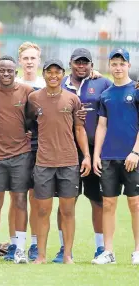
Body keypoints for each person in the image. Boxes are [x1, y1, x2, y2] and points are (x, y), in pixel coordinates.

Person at [50, 48, 112, 263]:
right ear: (71, 63)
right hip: (67, 152)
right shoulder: (60, 83)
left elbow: (116, 101)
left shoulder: (102, 83)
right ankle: (63, 248)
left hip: (96, 152)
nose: (81, 66)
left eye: (85, 63)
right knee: (67, 202)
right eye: (78, 62)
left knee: (98, 201)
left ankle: (100, 248)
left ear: (91, 65)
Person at [28, 59, 91, 264]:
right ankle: (41, 256)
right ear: (44, 74)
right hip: (44, 162)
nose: (53, 76)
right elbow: (28, 125)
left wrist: (87, 157)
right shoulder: (34, 98)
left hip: (68, 161)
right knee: (42, 210)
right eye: (49, 72)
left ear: (63, 74)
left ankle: (67, 255)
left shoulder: (72, 99)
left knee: (67, 210)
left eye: (57, 72)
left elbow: (79, 129)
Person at [0, 56, 34, 264]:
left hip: (21, 155)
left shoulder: (27, 92)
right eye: (2, 70)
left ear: (16, 72)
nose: (5, 74)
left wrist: (29, 130)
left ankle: (19, 248)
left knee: (20, 200)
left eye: (9, 71)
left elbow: (35, 116)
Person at [92, 48, 139, 265]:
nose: (118, 68)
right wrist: (96, 156)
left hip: (132, 158)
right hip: (109, 158)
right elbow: (101, 126)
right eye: (114, 64)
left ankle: (137, 250)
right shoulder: (106, 94)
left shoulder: (136, 90)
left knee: (135, 204)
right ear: (109, 66)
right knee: (108, 204)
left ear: (128, 65)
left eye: (122, 63)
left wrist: (136, 152)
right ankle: (108, 252)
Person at [5, 42, 46, 261]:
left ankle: (33, 243)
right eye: (26, 58)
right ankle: (14, 243)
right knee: (16, 197)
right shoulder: (13, 84)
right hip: (16, 148)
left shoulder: (45, 83)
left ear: (38, 60)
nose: (29, 62)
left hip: (40, 148)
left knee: (36, 198)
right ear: (20, 61)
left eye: (33, 58)